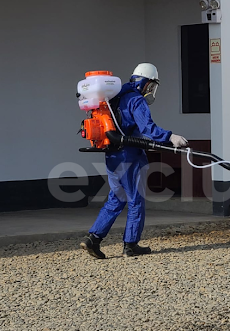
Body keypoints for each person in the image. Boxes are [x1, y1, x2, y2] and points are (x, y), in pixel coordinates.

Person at [80, 63, 188, 259]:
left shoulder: (115, 97)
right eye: (152, 86)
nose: (151, 91)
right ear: (146, 83)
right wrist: (170, 137)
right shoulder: (136, 100)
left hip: (111, 155)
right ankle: (130, 245)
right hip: (129, 156)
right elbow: (148, 129)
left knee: (117, 197)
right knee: (135, 199)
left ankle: (93, 239)